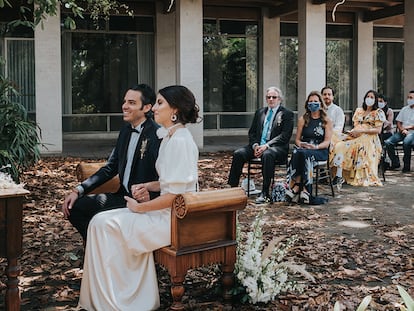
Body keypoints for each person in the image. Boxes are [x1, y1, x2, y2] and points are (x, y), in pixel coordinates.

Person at [78, 85, 200, 310]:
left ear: (174, 110)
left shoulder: (181, 141)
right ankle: (114, 296)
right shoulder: (170, 137)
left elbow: (176, 196)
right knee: (98, 223)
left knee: (104, 224)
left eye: (160, 103)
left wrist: (139, 208)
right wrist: (147, 185)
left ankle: (125, 300)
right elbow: (168, 182)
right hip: (160, 210)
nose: (154, 107)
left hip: (171, 218)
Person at [61, 84, 161, 240]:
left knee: (100, 220)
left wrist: (152, 195)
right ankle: (99, 248)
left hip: (143, 204)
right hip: (121, 197)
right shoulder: (125, 131)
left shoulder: (157, 135)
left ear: (147, 107)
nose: (125, 106)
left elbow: (165, 178)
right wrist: (78, 190)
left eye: (132, 103)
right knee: (75, 207)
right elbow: (110, 168)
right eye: (125, 101)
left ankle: (107, 249)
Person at [228, 86, 294, 204]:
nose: (271, 99)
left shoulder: (286, 114)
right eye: (268, 97)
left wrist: (266, 146)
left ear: (280, 99)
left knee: (267, 155)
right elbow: (252, 132)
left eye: (274, 97)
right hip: (258, 146)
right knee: (238, 154)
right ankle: (232, 188)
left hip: (276, 149)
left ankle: (265, 192)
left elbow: (284, 136)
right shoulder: (260, 112)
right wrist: (255, 145)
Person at [285, 91, 332, 204]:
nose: (313, 103)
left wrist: (315, 147)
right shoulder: (303, 119)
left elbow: (327, 142)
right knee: (297, 152)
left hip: (319, 150)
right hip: (305, 148)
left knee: (305, 154)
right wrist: (301, 144)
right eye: (310, 102)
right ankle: (298, 187)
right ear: (307, 104)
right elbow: (297, 139)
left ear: (320, 103)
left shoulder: (326, 121)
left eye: (315, 101)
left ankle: (301, 188)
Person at [330, 90, 386, 186]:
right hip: (356, 135)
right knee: (339, 144)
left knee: (358, 146)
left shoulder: (378, 112)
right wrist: (354, 132)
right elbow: (356, 126)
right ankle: (339, 175)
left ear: (375, 100)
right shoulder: (359, 111)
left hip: (369, 138)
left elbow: (378, 130)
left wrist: (362, 131)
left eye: (372, 97)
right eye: (368, 96)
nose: (369, 99)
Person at [384, 90, 414, 172]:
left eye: (411, 98)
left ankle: (406, 165)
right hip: (402, 131)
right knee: (388, 142)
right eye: (408, 97)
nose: (409, 99)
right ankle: (395, 162)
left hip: (412, 132)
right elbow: (398, 122)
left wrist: (406, 128)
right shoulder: (404, 109)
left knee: (406, 142)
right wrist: (402, 129)